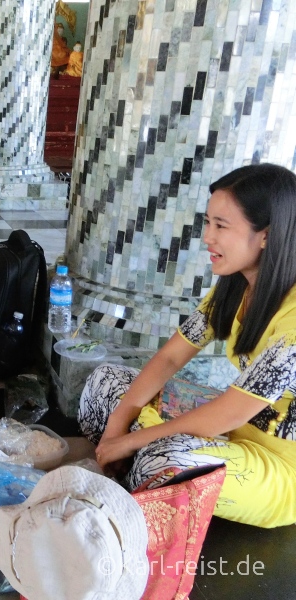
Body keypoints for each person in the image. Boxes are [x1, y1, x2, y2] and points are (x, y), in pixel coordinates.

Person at [78, 163, 296, 528]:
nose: (207, 237)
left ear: (267, 236)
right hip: (228, 438)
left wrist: (131, 441)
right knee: (105, 384)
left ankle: (145, 472)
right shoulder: (237, 285)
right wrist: (119, 423)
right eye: (207, 222)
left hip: (279, 471)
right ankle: (148, 477)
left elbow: (231, 411)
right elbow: (169, 357)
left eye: (221, 226)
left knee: (162, 459)